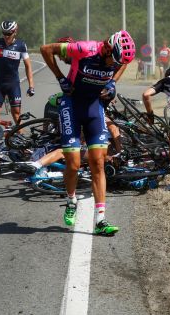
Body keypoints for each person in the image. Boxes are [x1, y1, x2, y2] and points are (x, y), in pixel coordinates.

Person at [39, 29, 135, 236]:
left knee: (98, 163)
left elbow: (124, 62)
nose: (115, 66)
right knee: (73, 164)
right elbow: (46, 49)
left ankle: (101, 220)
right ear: (108, 49)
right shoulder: (84, 48)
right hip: (71, 107)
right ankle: (71, 200)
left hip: (94, 108)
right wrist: (60, 78)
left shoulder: (117, 58)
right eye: (114, 62)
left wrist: (112, 82)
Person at [0, 20, 35, 125]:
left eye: (9, 33)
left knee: (16, 114)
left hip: (13, 84)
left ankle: (21, 137)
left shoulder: (21, 45)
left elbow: (28, 66)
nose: (6, 36)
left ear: (15, 31)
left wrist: (31, 86)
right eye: (4, 33)